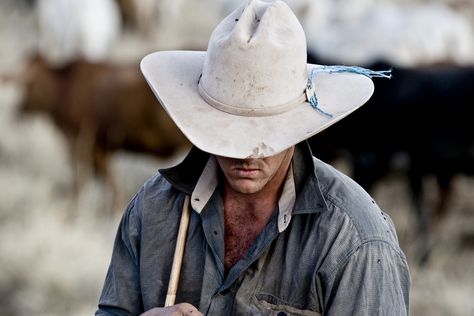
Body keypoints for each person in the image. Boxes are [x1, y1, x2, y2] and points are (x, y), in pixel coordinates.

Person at [96, 0, 410, 315]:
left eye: (265, 134)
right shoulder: (154, 209)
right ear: (205, 118)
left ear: (297, 125)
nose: (247, 152)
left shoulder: (355, 240)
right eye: (230, 132)